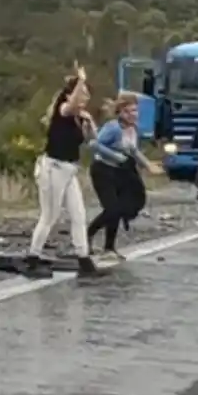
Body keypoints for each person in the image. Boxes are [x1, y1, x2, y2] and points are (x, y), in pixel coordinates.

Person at [24, 63, 101, 279]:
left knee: (79, 214)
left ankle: (84, 259)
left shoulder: (79, 117)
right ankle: (33, 257)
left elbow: (92, 140)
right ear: (71, 94)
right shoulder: (63, 109)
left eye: (87, 96)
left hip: (69, 170)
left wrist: (90, 123)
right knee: (50, 215)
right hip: (53, 167)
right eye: (83, 94)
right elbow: (72, 102)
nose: (85, 99)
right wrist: (81, 80)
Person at [87, 92, 160, 261]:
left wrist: (148, 165)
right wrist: (116, 157)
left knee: (120, 208)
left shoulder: (133, 129)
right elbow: (94, 144)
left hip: (120, 172)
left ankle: (109, 248)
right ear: (120, 112)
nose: (132, 114)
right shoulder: (113, 128)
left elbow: (133, 151)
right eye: (128, 111)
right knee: (112, 209)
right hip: (103, 170)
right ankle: (88, 234)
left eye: (135, 111)